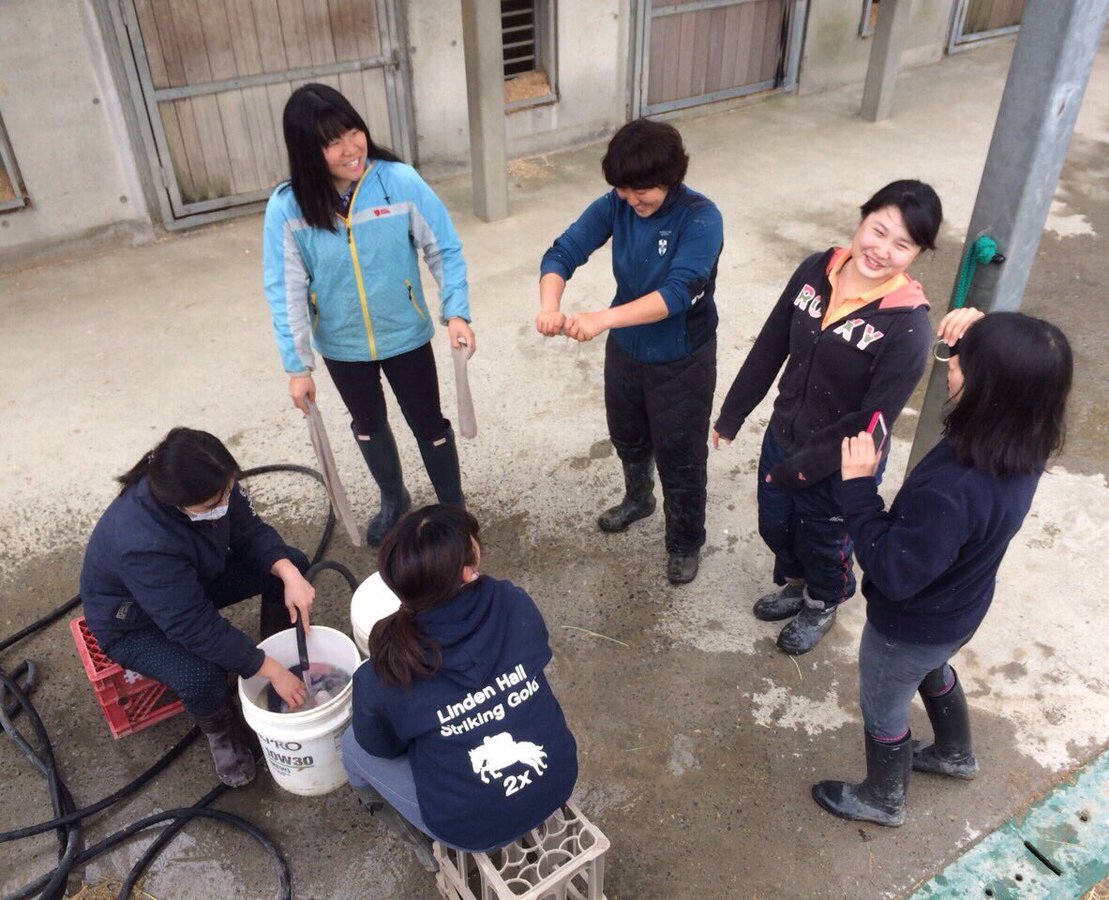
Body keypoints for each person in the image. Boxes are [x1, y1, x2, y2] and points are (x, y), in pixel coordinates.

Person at [811, 310, 1073, 826]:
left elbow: (893, 570)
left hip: (908, 625)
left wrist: (858, 488)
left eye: (960, 362)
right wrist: (982, 331)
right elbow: (1021, 368)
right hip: (960, 609)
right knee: (933, 667)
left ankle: (883, 799)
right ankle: (955, 754)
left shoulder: (953, 491)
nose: (948, 365)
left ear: (990, 390)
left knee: (883, 704)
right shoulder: (1025, 442)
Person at [712, 180, 942, 654]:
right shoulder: (817, 269)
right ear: (862, 219)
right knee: (776, 525)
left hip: (842, 464)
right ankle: (797, 584)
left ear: (917, 254)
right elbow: (771, 342)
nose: (882, 250)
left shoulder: (908, 326)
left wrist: (798, 471)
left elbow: (869, 421)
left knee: (824, 541)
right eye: (878, 231)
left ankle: (822, 602)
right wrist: (732, 414)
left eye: (902, 245)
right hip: (784, 434)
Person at [264, 83, 474, 546]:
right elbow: (284, 290)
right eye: (332, 142)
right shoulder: (287, 208)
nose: (350, 148)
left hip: (406, 334)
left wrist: (456, 312)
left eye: (353, 131)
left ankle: (453, 508)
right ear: (306, 150)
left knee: (428, 423)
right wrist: (297, 367)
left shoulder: (398, 181)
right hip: (343, 345)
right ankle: (394, 498)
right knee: (368, 425)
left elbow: (444, 247)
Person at [537, 119, 724, 584]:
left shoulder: (701, 218)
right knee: (628, 435)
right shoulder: (616, 205)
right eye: (623, 190)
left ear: (671, 177)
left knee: (681, 454)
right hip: (626, 348)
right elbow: (563, 251)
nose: (632, 200)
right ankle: (639, 499)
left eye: (642, 191)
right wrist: (549, 305)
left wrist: (602, 318)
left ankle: (685, 542)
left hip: (681, 355)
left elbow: (679, 293)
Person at [342, 505, 578, 870]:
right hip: (557, 780)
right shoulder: (513, 602)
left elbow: (380, 746)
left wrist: (443, 720)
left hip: (469, 828)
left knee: (351, 744)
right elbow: (537, 651)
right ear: (468, 571)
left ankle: (419, 843)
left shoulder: (385, 670)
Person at [79, 428, 315, 787]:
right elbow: (193, 626)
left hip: (193, 580)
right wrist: (271, 670)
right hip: (134, 623)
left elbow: (249, 530)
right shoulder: (143, 543)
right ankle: (223, 734)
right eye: (211, 506)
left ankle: (276, 648)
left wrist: (288, 572)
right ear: (178, 503)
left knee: (290, 566)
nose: (224, 505)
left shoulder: (214, 483)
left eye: (228, 493)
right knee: (202, 676)